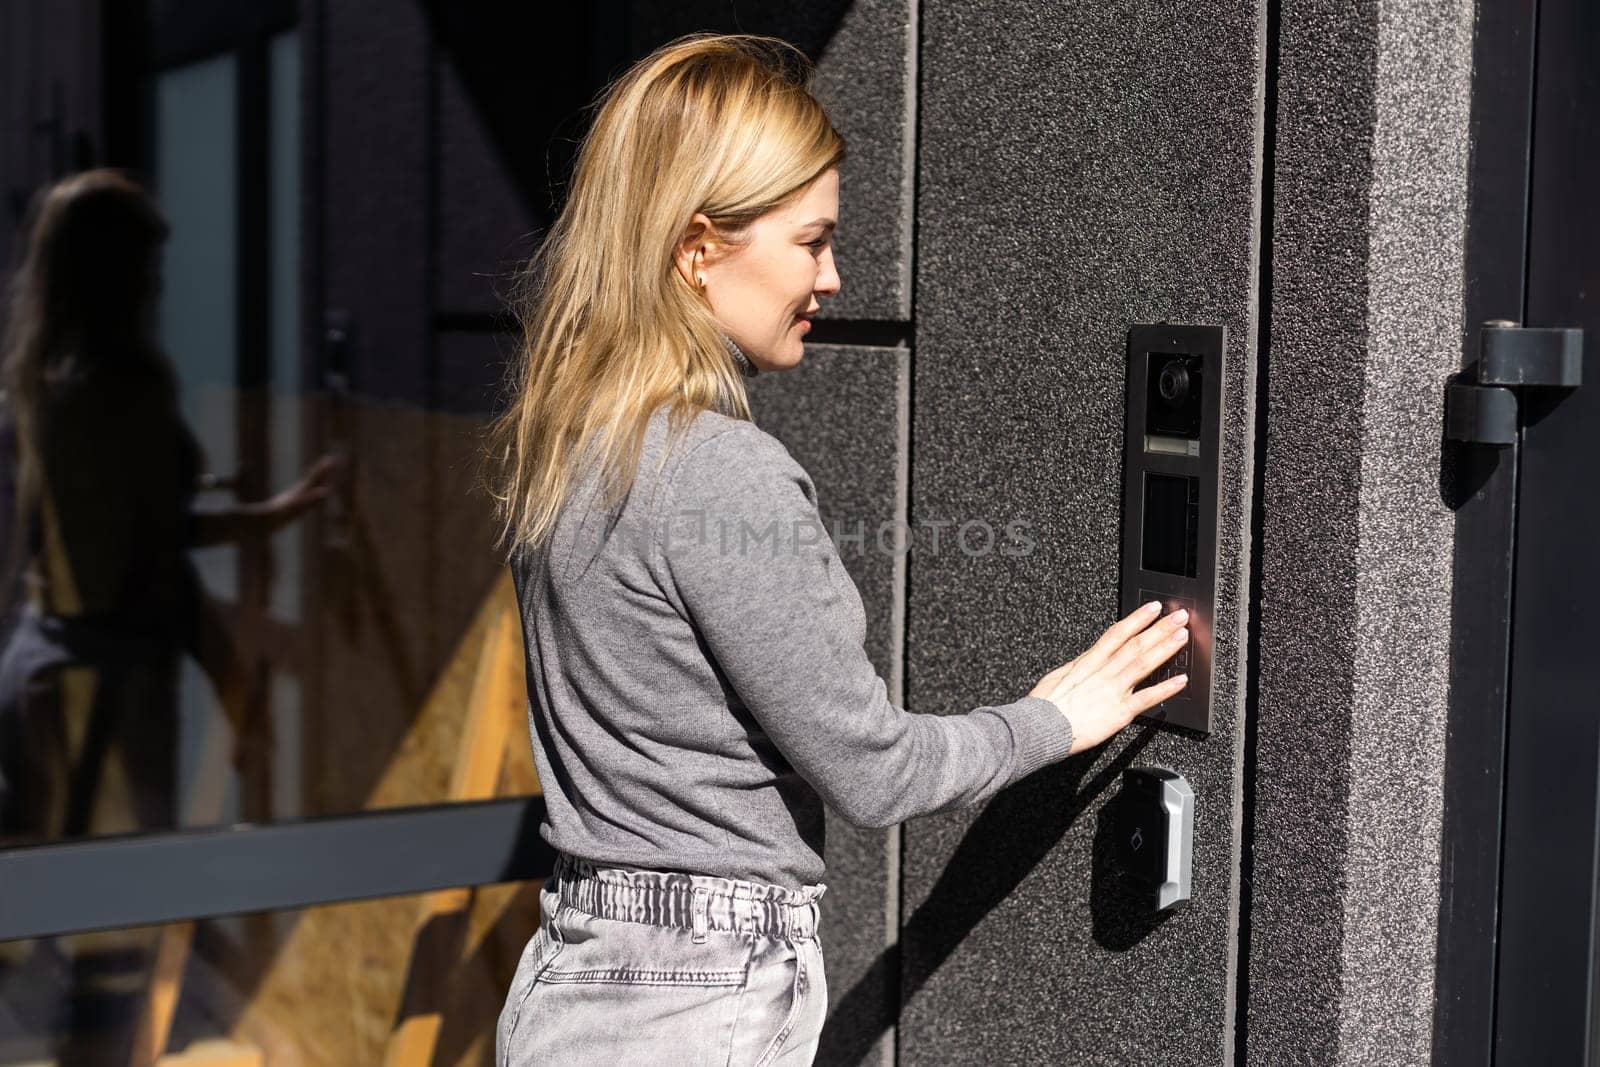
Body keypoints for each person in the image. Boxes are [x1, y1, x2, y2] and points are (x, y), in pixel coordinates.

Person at [487, 33, 1190, 1066]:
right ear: (696, 247)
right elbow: (875, 771)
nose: (832, 274)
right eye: (809, 241)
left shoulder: (568, 446)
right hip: (694, 999)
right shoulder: (716, 469)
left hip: (574, 975)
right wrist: (1055, 717)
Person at [0, 168, 342, 843]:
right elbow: (159, 540)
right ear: (111, 276)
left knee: (49, 884)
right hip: (116, 670)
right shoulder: (127, 386)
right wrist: (283, 511)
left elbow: (91, 510)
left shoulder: (36, 384)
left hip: (37, 658)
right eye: (144, 266)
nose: (156, 283)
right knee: (147, 870)